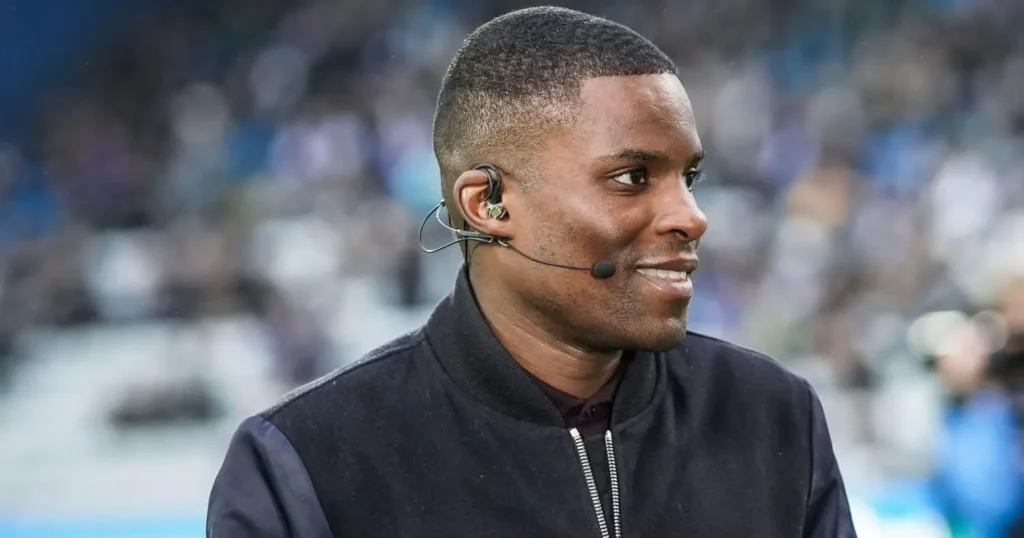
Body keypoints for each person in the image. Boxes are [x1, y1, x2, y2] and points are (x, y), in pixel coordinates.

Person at [207, 7, 857, 537]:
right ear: (488, 205)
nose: (692, 216)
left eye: (689, 177)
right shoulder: (306, 463)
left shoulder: (772, 417)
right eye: (632, 177)